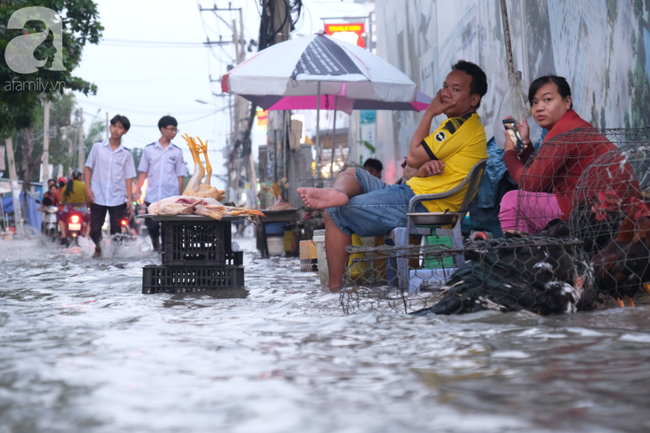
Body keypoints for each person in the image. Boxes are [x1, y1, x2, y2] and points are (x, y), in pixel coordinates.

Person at [298, 60, 488, 290]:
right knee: (354, 173)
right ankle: (338, 192)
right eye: (445, 86)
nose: (445, 93)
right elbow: (411, 168)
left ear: (474, 99)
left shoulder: (459, 127)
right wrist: (422, 168)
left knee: (336, 213)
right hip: (411, 193)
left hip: (421, 204)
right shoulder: (460, 125)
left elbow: (414, 156)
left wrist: (429, 112)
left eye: (456, 89)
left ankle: (333, 290)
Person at [499, 75, 640, 235]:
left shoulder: (563, 131)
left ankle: (516, 256)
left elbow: (531, 183)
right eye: (534, 103)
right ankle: (535, 255)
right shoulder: (570, 126)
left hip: (598, 215)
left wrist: (509, 153)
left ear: (567, 102)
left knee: (512, 201)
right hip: (612, 211)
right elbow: (543, 179)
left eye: (547, 100)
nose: (539, 108)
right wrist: (526, 148)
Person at [85, 114, 136, 258]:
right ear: (110, 127)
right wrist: (87, 188)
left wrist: (130, 198)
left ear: (125, 131)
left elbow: (128, 177)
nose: (116, 130)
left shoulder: (126, 154)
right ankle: (99, 248)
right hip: (97, 195)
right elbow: (88, 167)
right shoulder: (97, 147)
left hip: (118, 198)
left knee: (116, 232)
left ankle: (115, 258)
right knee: (94, 230)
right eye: (114, 126)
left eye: (120, 127)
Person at [135, 115, 186, 251]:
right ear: (162, 129)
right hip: (152, 195)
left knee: (167, 226)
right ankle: (155, 244)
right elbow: (143, 172)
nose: (174, 133)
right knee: (151, 225)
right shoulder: (149, 149)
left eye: (176, 130)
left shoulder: (177, 152)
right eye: (171, 129)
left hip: (170, 197)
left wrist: (180, 196)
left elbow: (180, 176)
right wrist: (138, 190)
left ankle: (164, 251)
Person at [58, 169, 90, 242]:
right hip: (82, 211)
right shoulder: (84, 186)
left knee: (59, 216)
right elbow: (88, 198)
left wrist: (63, 204)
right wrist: (88, 206)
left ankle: (63, 235)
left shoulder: (67, 186)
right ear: (79, 177)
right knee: (91, 219)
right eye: (81, 176)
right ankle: (87, 235)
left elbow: (63, 200)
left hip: (68, 211)